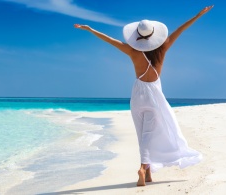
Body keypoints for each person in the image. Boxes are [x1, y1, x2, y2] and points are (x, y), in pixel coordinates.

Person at [74, 5, 213, 186]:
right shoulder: (163, 49)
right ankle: (143, 169)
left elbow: (109, 40)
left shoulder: (133, 52)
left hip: (138, 95)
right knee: (150, 133)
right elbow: (181, 29)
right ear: (155, 35)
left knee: (142, 135)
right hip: (154, 96)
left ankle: (146, 172)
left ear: (138, 36)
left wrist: (90, 29)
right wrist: (198, 15)